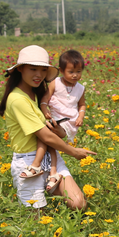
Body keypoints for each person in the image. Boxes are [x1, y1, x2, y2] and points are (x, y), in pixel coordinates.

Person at [0, 45, 96, 211]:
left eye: (43, 70)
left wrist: (61, 131)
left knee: (78, 203)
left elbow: (54, 133)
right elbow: (45, 136)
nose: (39, 75)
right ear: (21, 69)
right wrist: (74, 152)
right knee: (36, 219)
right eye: (33, 69)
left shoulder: (37, 94)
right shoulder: (18, 99)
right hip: (30, 163)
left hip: (51, 157)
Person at [33, 49, 88, 189]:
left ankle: (38, 165)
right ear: (62, 70)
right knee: (49, 139)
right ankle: (51, 170)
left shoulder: (80, 88)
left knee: (48, 138)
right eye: (71, 72)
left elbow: (82, 105)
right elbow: (45, 100)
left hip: (69, 122)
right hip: (55, 118)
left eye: (79, 71)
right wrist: (44, 110)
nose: (75, 75)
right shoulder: (55, 83)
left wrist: (81, 116)